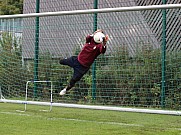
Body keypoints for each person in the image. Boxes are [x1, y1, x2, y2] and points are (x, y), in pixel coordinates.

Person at [59, 29, 109, 95]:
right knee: (61, 61)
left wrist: (104, 43)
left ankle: (66, 89)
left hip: (82, 68)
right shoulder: (90, 39)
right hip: (76, 60)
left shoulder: (99, 46)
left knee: (73, 80)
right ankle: (64, 60)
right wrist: (94, 33)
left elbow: (103, 51)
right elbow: (87, 37)